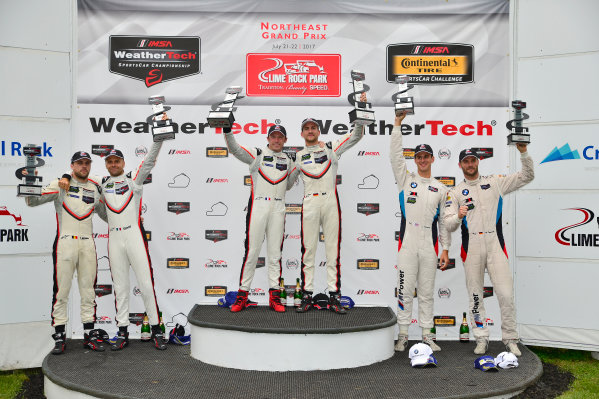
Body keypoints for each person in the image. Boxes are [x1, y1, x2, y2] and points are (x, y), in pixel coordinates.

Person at [60, 140, 167, 351]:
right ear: (106, 164)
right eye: (110, 161)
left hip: (134, 236)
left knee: (146, 285)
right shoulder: (101, 181)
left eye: (117, 161)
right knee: (120, 288)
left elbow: (150, 161)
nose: (113, 164)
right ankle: (123, 331)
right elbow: (77, 173)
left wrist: (159, 139)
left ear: (123, 163)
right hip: (114, 239)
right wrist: (64, 175)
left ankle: (157, 331)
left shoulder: (133, 178)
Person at [443, 144, 534, 356]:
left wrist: (523, 152)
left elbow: (527, 176)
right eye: (466, 161)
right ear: (460, 165)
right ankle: (481, 338)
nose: (470, 164)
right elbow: (448, 224)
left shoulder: (494, 182)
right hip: (471, 247)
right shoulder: (454, 192)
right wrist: (458, 216)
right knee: (475, 296)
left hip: (495, 244)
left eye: (473, 160)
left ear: (478, 162)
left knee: (505, 294)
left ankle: (510, 338)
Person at [24, 151, 107, 354]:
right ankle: (59, 335)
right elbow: (32, 201)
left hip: (88, 244)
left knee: (88, 291)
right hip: (65, 243)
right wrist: (30, 179)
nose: (84, 167)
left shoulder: (96, 188)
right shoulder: (61, 184)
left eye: (87, 163)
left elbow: (107, 214)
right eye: (79, 163)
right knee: (61, 292)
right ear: (72, 166)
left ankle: (89, 333)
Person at [292, 92, 367, 314]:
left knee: (332, 251)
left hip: (330, 202)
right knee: (309, 251)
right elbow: (286, 182)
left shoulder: (331, 148)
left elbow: (355, 137)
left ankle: (334, 295)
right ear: (302, 133)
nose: (311, 131)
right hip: (309, 204)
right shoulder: (297, 156)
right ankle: (307, 294)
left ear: (319, 131)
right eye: (307, 128)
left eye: (314, 127)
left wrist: (361, 109)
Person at [390, 110, 450, 352]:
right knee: (404, 290)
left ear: (433, 159)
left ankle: (427, 335)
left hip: (429, 244)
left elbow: (444, 223)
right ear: (415, 160)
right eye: (419, 157)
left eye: (426, 156)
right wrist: (397, 124)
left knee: (426, 292)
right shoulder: (406, 180)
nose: (423, 160)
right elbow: (395, 156)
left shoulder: (441, 188)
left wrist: (445, 248)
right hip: (408, 241)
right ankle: (403, 334)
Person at [223, 124, 299, 312]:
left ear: (285, 141)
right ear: (267, 138)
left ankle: (275, 297)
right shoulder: (257, 154)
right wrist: (227, 129)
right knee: (252, 253)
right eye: (273, 136)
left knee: (275, 255)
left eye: (280, 137)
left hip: (278, 208)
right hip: (258, 206)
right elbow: (235, 149)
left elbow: (288, 185)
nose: (276, 140)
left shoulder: (288, 160)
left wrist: (297, 168)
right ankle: (242, 296)